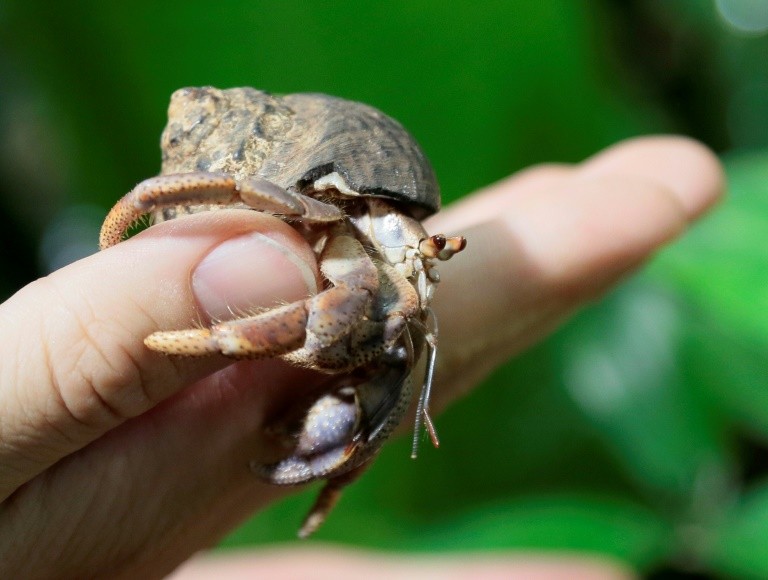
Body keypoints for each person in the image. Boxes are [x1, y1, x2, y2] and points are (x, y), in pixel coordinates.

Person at [0, 136, 723, 579]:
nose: (426, 272)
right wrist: (210, 328)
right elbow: (253, 194)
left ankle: (329, 483)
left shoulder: (404, 273)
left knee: (396, 350)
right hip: (300, 190)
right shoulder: (342, 220)